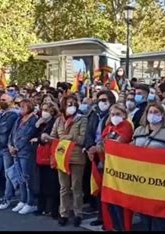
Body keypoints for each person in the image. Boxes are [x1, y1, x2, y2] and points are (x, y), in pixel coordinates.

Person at [132, 102, 165, 231]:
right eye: (150, 112)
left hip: (159, 181)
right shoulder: (139, 130)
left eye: (156, 112)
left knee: (160, 218)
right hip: (141, 179)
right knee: (144, 216)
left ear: (162, 115)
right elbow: (131, 148)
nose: (153, 115)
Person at [88, 104, 134, 231]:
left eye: (118, 114)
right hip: (106, 165)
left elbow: (118, 144)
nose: (115, 117)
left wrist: (99, 147)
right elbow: (102, 141)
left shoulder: (126, 127)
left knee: (118, 201)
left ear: (124, 115)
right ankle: (111, 224)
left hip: (119, 168)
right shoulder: (109, 127)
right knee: (108, 199)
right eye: (112, 114)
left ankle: (122, 227)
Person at [46, 94, 88, 227]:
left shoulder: (82, 119)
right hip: (61, 157)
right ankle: (63, 213)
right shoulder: (58, 120)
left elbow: (82, 139)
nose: (72, 106)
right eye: (69, 104)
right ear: (63, 105)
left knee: (76, 186)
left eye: (74, 104)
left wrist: (66, 137)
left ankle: (78, 213)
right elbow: (53, 136)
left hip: (76, 157)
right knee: (64, 188)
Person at [82, 90, 116, 226]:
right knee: (97, 185)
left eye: (105, 100)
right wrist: (90, 146)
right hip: (94, 154)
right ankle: (100, 215)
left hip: (107, 155)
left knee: (108, 188)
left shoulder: (114, 115)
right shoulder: (94, 113)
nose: (102, 102)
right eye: (100, 100)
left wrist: (100, 147)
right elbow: (89, 132)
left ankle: (109, 218)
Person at [8, 99, 39, 215]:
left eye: (23, 106)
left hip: (25, 152)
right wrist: (10, 145)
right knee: (20, 178)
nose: (21, 108)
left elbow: (27, 135)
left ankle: (30, 202)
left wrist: (16, 147)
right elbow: (12, 134)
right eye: (20, 106)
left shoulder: (33, 120)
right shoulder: (18, 119)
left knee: (27, 178)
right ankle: (22, 199)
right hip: (15, 152)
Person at [32, 102, 60, 219]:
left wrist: (39, 138)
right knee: (41, 183)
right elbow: (32, 136)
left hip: (51, 155)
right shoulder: (41, 122)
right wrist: (37, 126)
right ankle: (41, 207)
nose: (44, 112)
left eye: (47, 110)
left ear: (52, 112)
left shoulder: (54, 122)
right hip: (40, 156)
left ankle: (53, 210)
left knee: (52, 184)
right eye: (43, 109)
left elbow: (47, 138)